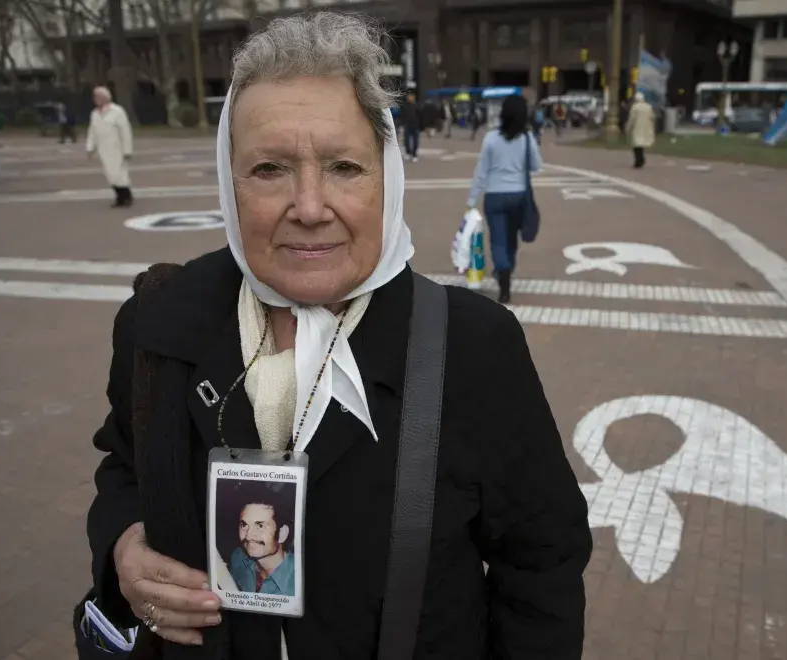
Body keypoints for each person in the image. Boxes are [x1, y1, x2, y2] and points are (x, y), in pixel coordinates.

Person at [86, 12, 590, 660]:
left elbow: (541, 564)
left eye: (345, 167)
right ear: (228, 182)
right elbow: (124, 466)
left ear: (387, 177)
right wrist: (123, 542)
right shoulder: (158, 323)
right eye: (269, 168)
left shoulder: (473, 349)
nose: (311, 205)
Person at [466, 94, 542, 304]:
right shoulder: (527, 138)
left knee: (498, 239)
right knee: (511, 239)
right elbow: (537, 165)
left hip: (494, 196)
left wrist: (472, 199)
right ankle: (507, 269)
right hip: (519, 196)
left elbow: (481, 171)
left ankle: (503, 275)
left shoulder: (491, 138)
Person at [225, 484, 295, 596]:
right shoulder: (238, 557)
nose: (248, 536)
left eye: (260, 526)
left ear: (282, 534)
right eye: (244, 525)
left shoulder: (297, 582)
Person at [86, 86, 134, 207]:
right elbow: (92, 131)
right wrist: (90, 147)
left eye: (98, 97)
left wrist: (127, 150)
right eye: (95, 97)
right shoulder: (95, 113)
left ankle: (126, 196)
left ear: (105, 98)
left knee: (120, 174)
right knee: (110, 174)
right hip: (104, 149)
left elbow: (125, 131)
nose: (95, 99)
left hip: (117, 148)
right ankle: (119, 196)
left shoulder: (117, 111)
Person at [627, 91, 655, 168]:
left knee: (636, 146)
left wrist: (628, 128)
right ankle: (641, 160)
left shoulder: (635, 107)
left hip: (637, 128)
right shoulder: (648, 107)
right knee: (641, 145)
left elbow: (632, 119)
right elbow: (652, 117)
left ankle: (638, 161)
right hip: (646, 128)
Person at [400, 92, 420, 162]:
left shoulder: (417, 106)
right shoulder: (405, 106)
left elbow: (420, 115)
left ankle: (414, 154)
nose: (410, 99)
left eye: (412, 97)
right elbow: (402, 115)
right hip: (407, 124)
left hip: (415, 124)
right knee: (407, 140)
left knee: (415, 140)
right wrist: (402, 124)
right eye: (409, 97)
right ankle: (408, 152)